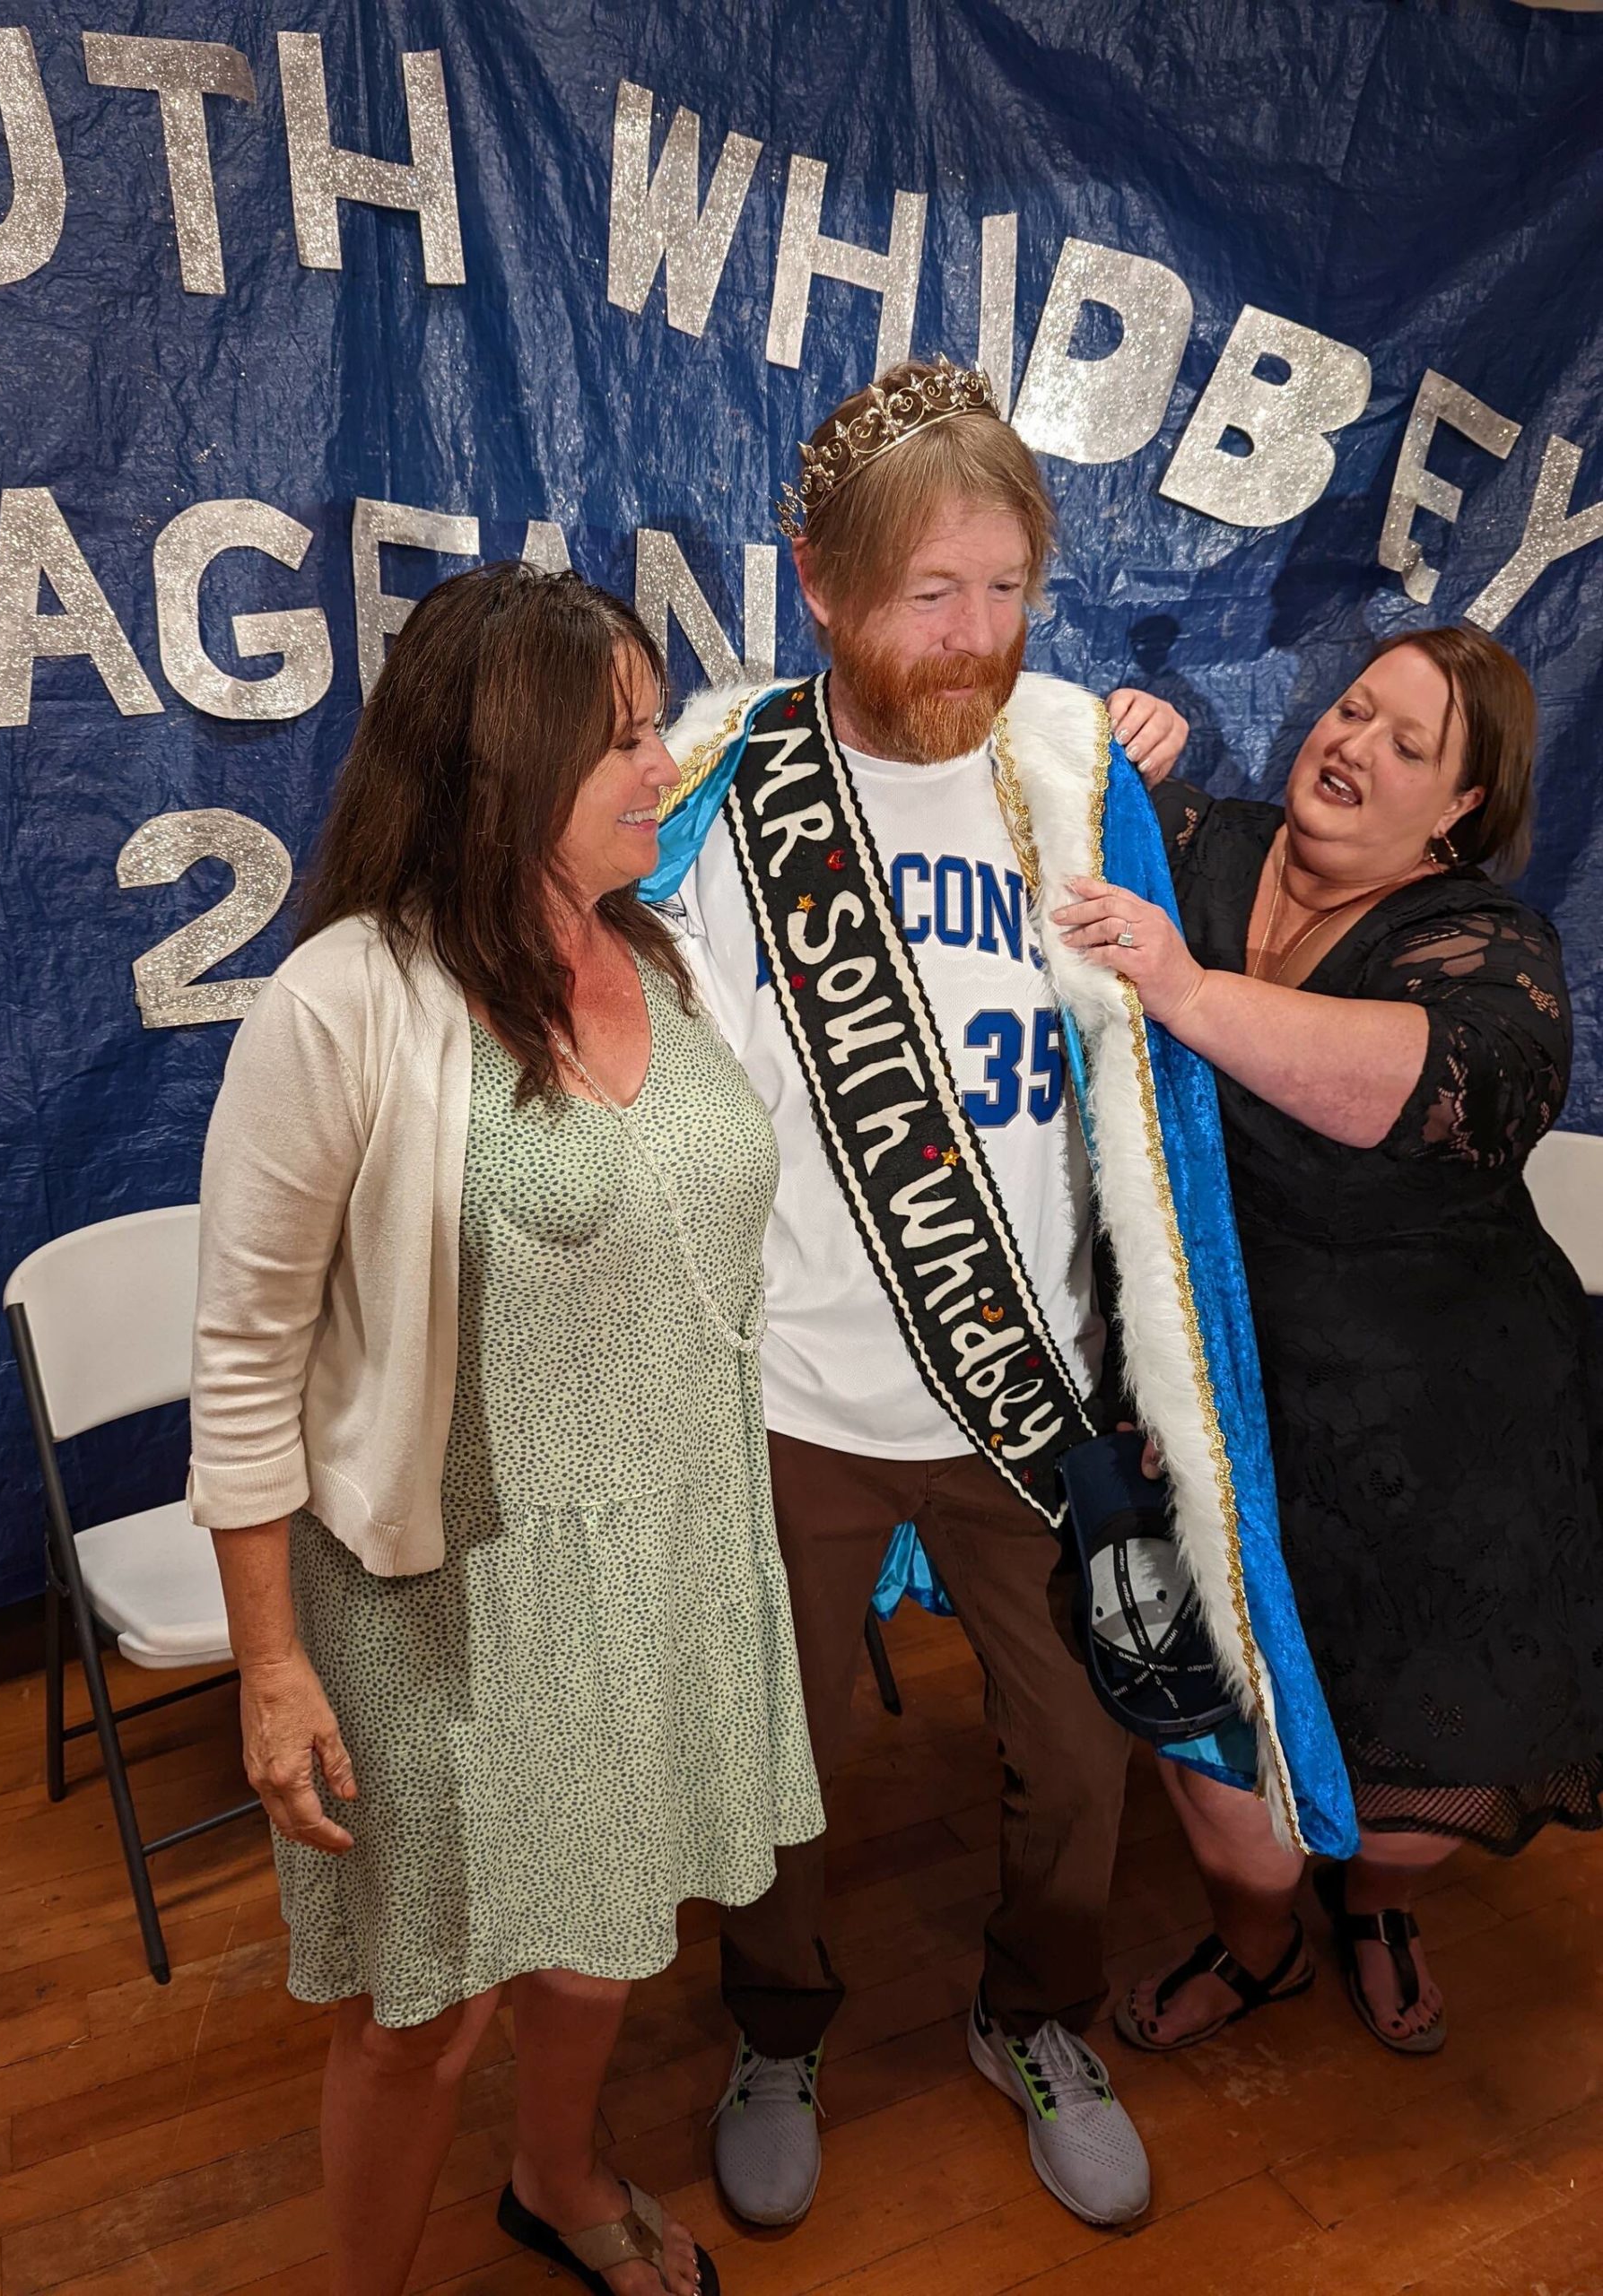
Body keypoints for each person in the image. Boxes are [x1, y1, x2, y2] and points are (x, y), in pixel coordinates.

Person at [187, 564, 823, 2296]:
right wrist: (269, 1666)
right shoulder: (344, 1004)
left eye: (656, 724)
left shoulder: (662, 961)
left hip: (667, 1554)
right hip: (444, 1603)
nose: (662, 761)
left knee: (603, 1944)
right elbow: (243, 1362)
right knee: (430, 2013)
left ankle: (558, 2181)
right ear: (495, 766)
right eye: (619, 737)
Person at [642, 354, 1207, 2237]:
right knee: (774, 1749)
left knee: (1078, 1747)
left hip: (1026, 1394)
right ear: (819, 582)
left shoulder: (1072, 764)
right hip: (794, 1392)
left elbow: (1151, 1081)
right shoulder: (725, 790)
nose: (974, 638)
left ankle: (1033, 2012)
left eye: (1006, 588)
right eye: (927, 593)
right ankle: (779, 2022)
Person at [1051, 624, 1603, 2058]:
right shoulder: (1204, 848)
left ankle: (1377, 1906)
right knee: (1228, 1790)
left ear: (1463, 809)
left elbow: (1413, 1084)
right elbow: (1024, 859)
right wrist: (1099, 760)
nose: (1351, 744)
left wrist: (1183, 992)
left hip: (1447, 1436)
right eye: (1353, 707)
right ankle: (1257, 1946)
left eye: (1408, 745)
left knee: (1423, 1776)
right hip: (1217, 1409)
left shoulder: (1492, 949)